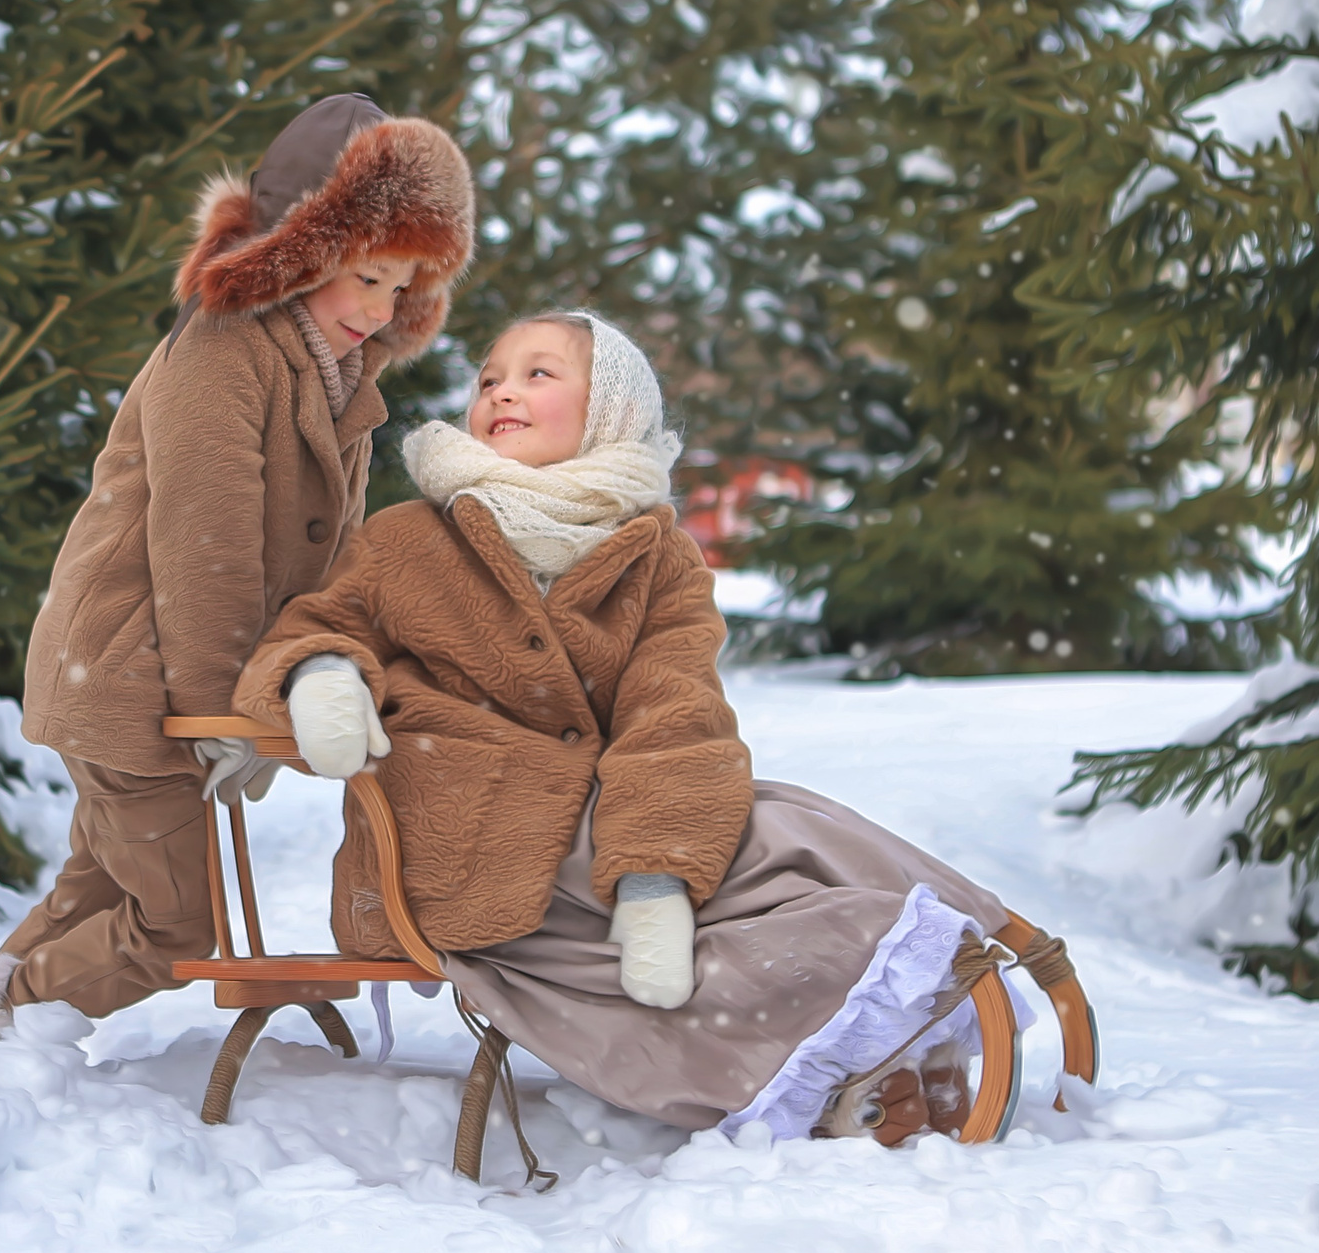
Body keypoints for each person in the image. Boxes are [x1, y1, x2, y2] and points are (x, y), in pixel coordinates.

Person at [230, 311, 1026, 1141]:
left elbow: (675, 710)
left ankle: (893, 1024)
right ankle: (882, 1007)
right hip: (457, 835)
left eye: (539, 373)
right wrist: (319, 673)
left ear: (609, 409)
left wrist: (655, 877)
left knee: (776, 827)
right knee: (774, 844)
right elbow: (316, 623)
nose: (502, 387)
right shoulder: (408, 540)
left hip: (610, 826)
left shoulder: (655, 555)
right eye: (489, 375)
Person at [0, 95, 475, 1033]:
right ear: (304, 250)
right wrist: (222, 706)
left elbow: (327, 559)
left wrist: (304, 668)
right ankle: (16, 1006)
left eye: (401, 288)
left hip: (164, 677)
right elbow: (204, 544)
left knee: (98, 879)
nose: (380, 309)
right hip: (130, 674)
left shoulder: (337, 378)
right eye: (367, 275)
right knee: (177, 922)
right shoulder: (225, 354)